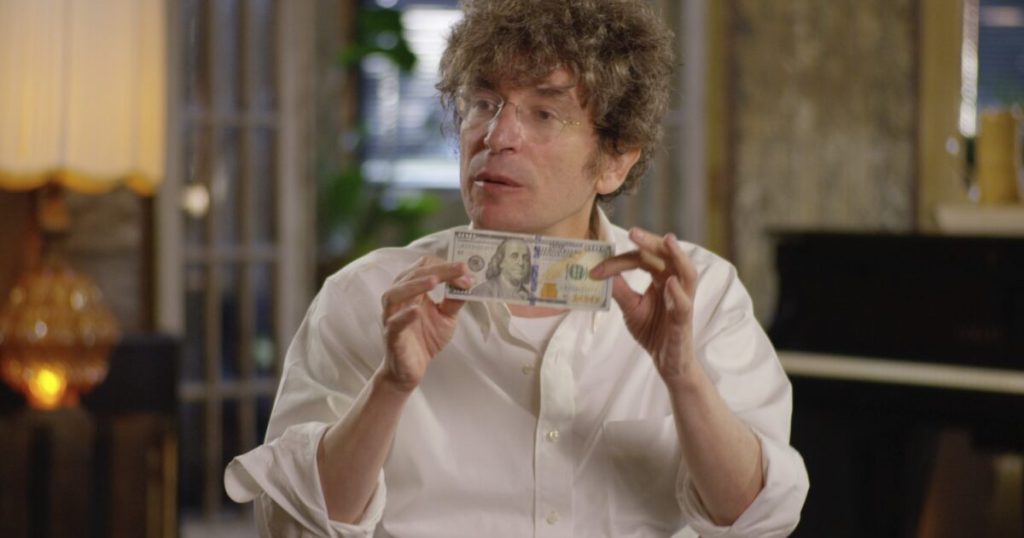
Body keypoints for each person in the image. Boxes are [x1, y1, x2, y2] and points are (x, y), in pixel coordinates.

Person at [225, 0, 809, 536]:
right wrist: (390, 386)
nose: (497, 136)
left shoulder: (701, 296)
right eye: (483, 104)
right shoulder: (365, 295)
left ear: (614, 160)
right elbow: (289, 527)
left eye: (545, 113)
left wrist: (682, 376)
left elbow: (757, 521)